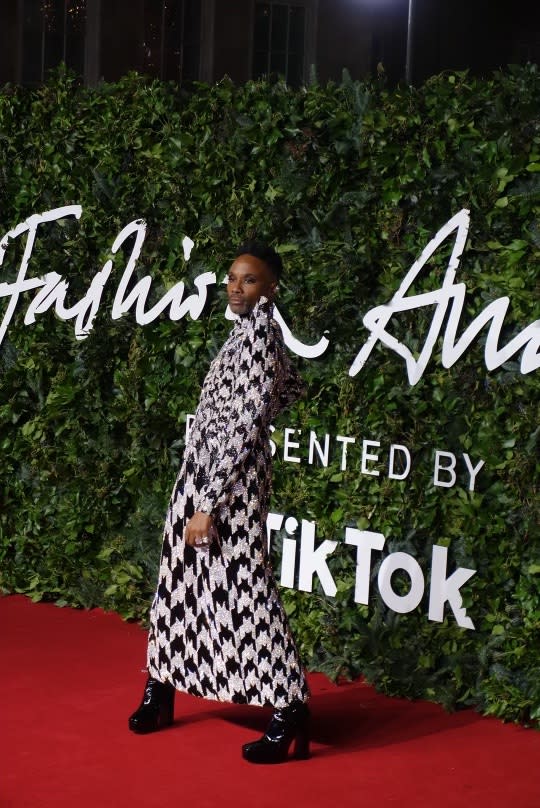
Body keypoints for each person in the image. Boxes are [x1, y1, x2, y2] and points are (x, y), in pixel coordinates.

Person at [128, 242, 310, 763]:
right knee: (179, 582)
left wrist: (208, 503)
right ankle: (160, 689)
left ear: (271, 288)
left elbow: (243, 430)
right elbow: (290, 389)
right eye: (232, 278)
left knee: (245, 588)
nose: (235, 286)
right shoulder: (246, 334)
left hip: (226, 487)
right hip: (200, 476)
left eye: (249, 280)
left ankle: (289, 707)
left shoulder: (260, 341)